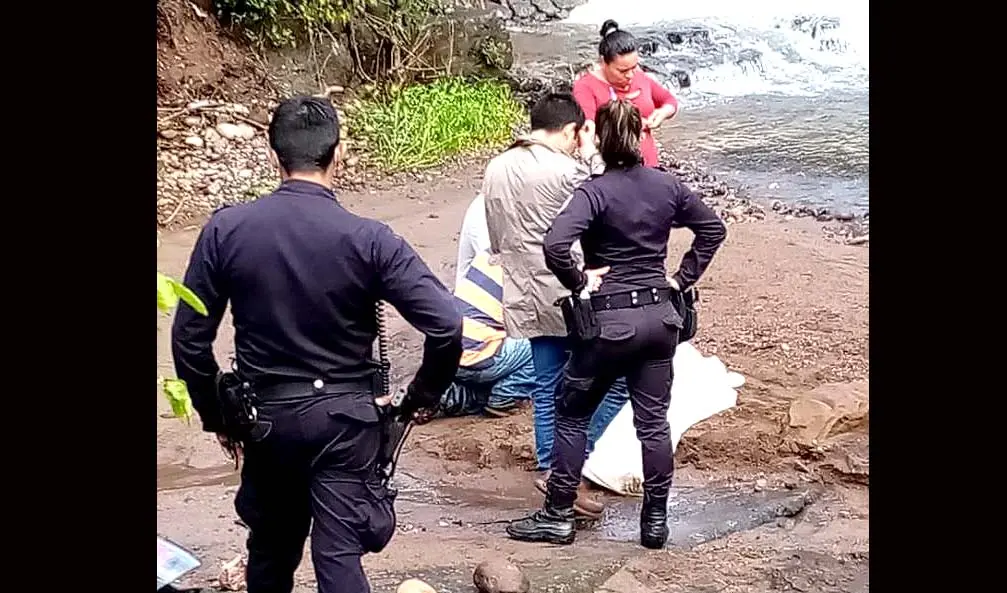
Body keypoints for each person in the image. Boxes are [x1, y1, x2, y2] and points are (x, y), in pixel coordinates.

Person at [170, 95, 463, 593]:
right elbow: (448, 325)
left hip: (266, 420)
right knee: (339, 554)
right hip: (347, 422)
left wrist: (218, 414)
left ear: (272, 155)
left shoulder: (227, 229)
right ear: (339, 153)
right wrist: (418, 401)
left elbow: (189, 339)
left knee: (270, 550)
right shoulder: (370, 239)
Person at [505, 99, 726, 549]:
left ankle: (558, 515)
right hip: (660, 319)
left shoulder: (594, 192)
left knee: (572, 415)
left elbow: (555, 243)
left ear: (600, 140)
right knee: (653, 423)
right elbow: (713, 229)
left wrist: (579, 279)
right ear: (641, 138)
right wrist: (680, 280)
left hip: (608, 322)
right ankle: (655, 522)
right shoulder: (666, 186)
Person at [482, 92, 630, 518]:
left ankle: (552, 467)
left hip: (524, 293)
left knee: (547, 386)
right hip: (571, 290)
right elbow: (597, 225)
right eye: (575, 136)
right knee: (613, 378)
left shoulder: (496, 167)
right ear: (568, 131)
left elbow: (496, 239)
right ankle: (571, 465)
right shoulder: (568, 171)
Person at [438, 249, 536, 418]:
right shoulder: (529, 268)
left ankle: (458, 395)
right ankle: (506, 394)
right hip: (478, 359)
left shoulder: (487, 254)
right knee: (548, 344)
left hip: (446, 359)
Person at [572, 19, 680, 168]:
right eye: (622, 71)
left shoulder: (640, 76)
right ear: (604, 62)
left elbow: (669, 100)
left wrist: (662, 113)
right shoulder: (585, 86)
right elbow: (586, 126)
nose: (630, 75)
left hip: (649, 165)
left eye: (634, 67)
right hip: (610, 168)